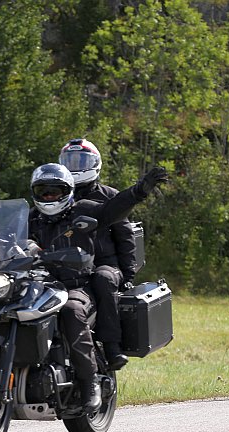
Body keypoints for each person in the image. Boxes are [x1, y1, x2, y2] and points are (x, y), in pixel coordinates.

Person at [28, 162, 168, 412]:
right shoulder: (31, 217)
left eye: (55, 191)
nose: (49, 197)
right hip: (40, 286)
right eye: (43, 192)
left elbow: (111, 210)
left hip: (77, 286)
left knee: (72, 311)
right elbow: (0, 238)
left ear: (67, 191)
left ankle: (90, 380)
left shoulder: (82, 209)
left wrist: (139, 191)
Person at [58, 138, 136, 371]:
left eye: (81, 160)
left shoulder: (110, 196)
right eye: (70, 161)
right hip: (68, 264)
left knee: (103, 279)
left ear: (95, 163)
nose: (75, 166)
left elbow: (126, 237)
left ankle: (112, 346)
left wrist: (128, 274)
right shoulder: (58, 195)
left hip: (105, 264)